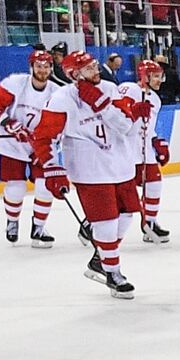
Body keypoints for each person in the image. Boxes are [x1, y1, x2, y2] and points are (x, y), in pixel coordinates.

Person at [32, 51, 152, 298]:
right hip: (90, 169)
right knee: (106, 223)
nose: (96, 70)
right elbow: (44, 137)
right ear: (74, 75)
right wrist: (53, 167)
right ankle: (113, 272)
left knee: (128, 215)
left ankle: (101, 259)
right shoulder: (62, 98)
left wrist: (103, 104)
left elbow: (124, 125)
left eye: (95, 65)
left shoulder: (109, 88)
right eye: (89, 68)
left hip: (120, 164)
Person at [0, 49, 58, 246]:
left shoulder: (56, 92)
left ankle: (38, 227)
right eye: (39, 66)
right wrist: (9, 124)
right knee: (16, 188)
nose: (43, 70)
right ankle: (12, 222)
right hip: (11, 144)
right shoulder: (14, 83)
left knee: (44, 187)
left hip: (40, 145)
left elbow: (58, 125)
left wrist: (45, 148)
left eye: (46, 66)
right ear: (31, 67)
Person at [115, 60, 171, 243]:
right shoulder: (128, 89)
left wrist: (156, 141)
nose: (159, 80)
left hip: (145, 151)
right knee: (122, 196)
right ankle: (92, 225)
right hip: (125, 151)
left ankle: (149, 223)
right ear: (144, 76)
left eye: (160, 76)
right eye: (155, 76)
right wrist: (133, 112)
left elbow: (149, 127)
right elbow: (116, 117)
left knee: (154, 184)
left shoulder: (155, 99)